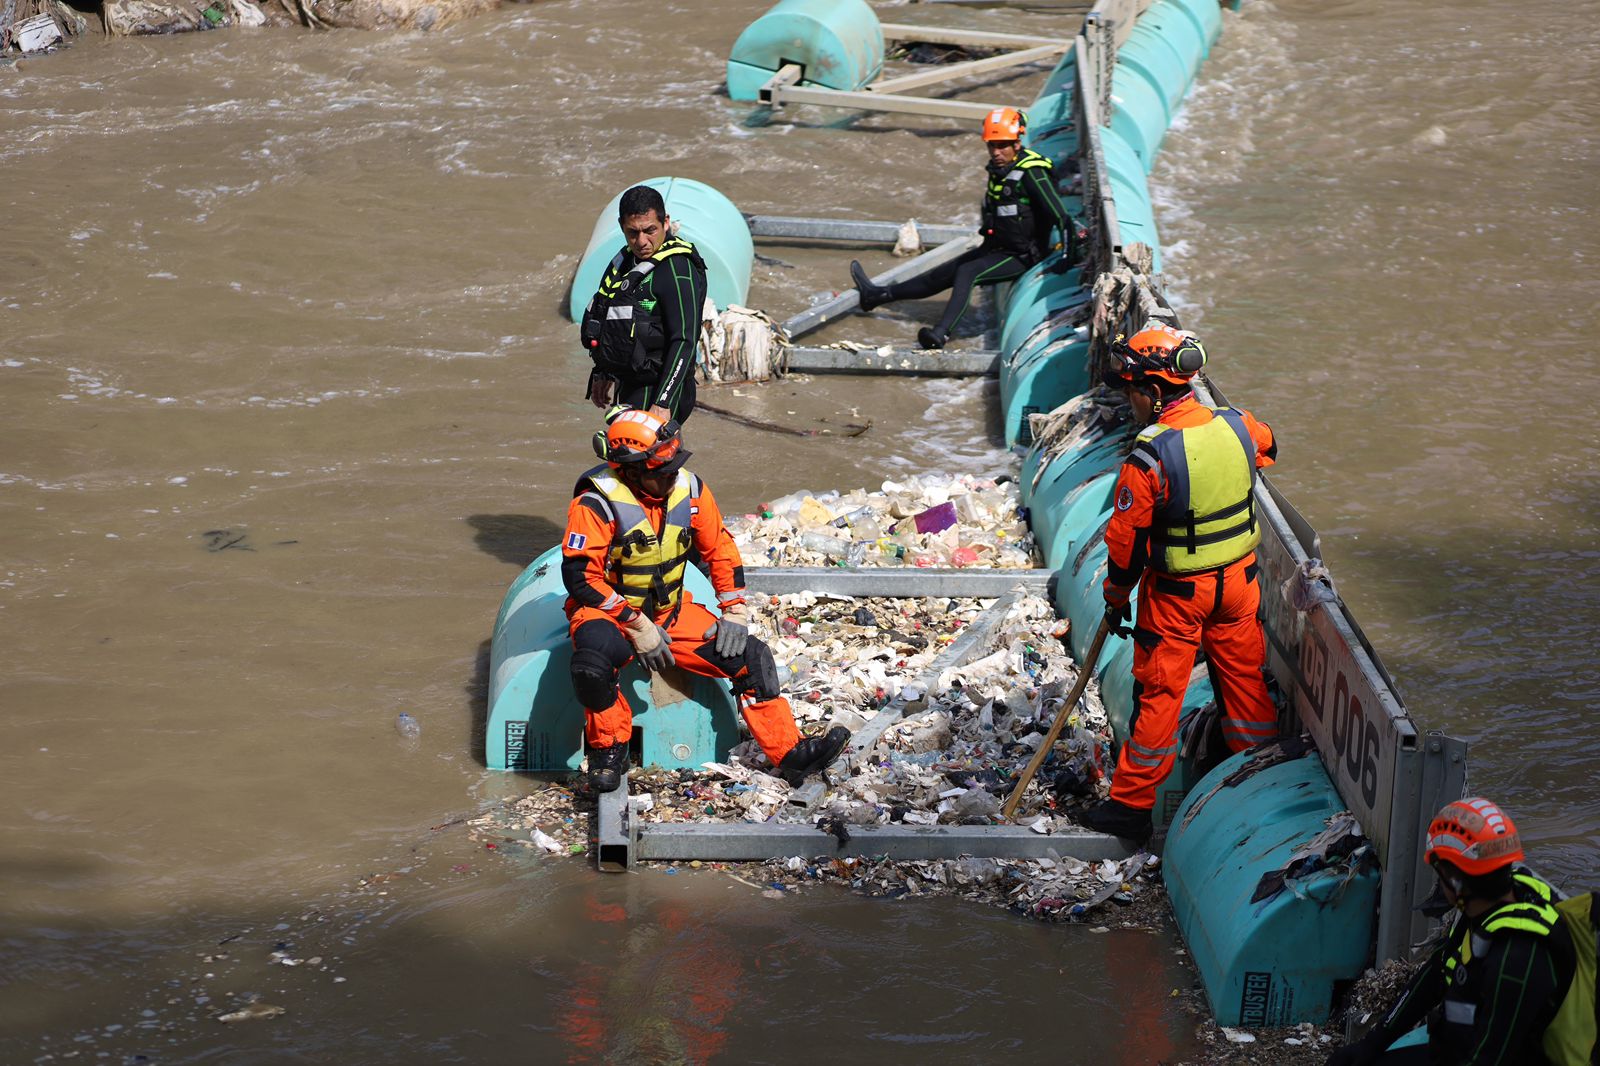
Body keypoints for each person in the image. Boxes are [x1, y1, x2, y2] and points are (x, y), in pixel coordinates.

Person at [561, 407, 849, 792]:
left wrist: (735, 609)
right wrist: (635, 624)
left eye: (673, 468)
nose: (671, 476)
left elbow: (721, 552)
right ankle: (608, 754)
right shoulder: (595, 504)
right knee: (591, 667)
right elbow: (581, 578)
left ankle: (790, 754)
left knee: (752, 658)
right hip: (608, 613)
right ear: (631, 470)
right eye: (661, 471)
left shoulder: (690, 491)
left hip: (669, 614)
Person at [1078, 324, 1280, 843]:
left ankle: (1129, 810)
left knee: (1159, 695)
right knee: (1245, 684)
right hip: (1238, 585)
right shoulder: (1237, 425)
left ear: (1153, 391)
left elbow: (1126, 542)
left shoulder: (1149, 457)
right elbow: (1270, 445)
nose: (1131, 403)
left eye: (1132, 393)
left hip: (1177, 597)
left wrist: (1116, 597)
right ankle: (1259, 783)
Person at [1326, 797, 1595, 1066]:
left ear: (1454, 881)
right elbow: (1437, 972)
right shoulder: (1489, 906)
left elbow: (1491, 1057)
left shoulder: (1516, 960)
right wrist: (1371, 1045)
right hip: (1454, 1048)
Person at [848, 106, 1077, 351]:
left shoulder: (1033, 174)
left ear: (1017, 144)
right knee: (942, 274)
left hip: (1023, 256)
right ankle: (877, 296)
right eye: (992, 145)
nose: (996, 152)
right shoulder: (1001, 170)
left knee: (968, 272)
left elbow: (1062, 217)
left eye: (1003, 145)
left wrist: (1067, 257)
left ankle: (941, 335)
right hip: (998, 247)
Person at [579, 185, 707, 424]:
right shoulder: (624, 262)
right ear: (621, 226)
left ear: (665, 222)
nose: (642, 242)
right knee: (628, 456)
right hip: (631, 383)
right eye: (633, 233)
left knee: (638, 452)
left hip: (661, 386)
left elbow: (685, 339)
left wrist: (663, 402)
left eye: (650, 231)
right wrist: (603, 370)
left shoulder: (677, 269)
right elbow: (607, 317)